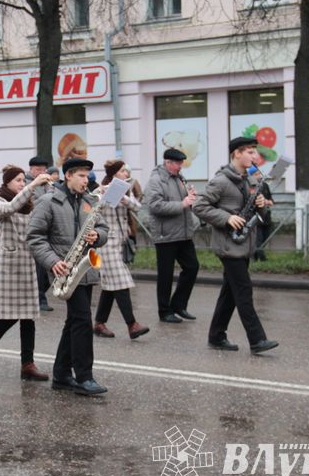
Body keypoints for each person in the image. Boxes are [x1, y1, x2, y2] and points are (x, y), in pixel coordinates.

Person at [27, 158, 110, 396]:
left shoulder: (89, 201)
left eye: (88, 176)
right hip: (64, 269)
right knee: (83, 320)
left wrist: (98, 235)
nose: (87, 181)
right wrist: (53, 262)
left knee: (74, 321)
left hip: (84, 270)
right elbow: (34, 237)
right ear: (69, 175)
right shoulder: (48, 202)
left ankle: (62, 375)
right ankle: (85, 377)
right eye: (82, 176)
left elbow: (104, 229)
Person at [192, 138, 279, 354]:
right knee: (243, 290)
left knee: (230, 292)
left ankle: (216, 335)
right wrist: (226, 218)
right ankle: (257, 339)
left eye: (254, 152)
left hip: (243, 243)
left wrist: (260, 206)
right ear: (236, 154)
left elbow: (255, 214)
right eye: (249, 152)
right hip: (228, 246)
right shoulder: (221, 181)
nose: (254, 156)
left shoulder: (247, 180)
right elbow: (199, 205)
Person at [0, 165, 51, 381]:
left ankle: (28, 365)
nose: (22, 184)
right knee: (10, 315)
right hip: (9, 264)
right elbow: (10, 209)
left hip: (27, 262)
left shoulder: (28, 204)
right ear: (6, 183)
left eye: (24, 180)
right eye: (18, 180)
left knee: (28, 316)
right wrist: (34, 184)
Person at [92, 160, 150, 341]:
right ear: (114, 173)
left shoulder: (124, 188)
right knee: (121, 282)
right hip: (105, 243)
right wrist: (107, 193)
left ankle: (99, 324)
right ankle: (132, 325)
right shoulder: (101, 189)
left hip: (118, 243)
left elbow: (137, 207)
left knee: (111, 286)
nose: (126, 173)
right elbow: (97, 206)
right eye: (123, 171)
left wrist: (124, 195)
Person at [145, 148, 200, 324]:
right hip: (165, 234)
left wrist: (190, 197)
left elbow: (184, 202)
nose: (180, 166)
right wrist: (182, 204)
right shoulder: (156, 180)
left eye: (181, 163)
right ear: (168, 162)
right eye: (177, 163)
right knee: (166, 275)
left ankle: (178, 305)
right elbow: (155, 206)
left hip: (183, 233)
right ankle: (164, 311)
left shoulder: (179, 178)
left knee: (192, 267)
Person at [25, 156, 55, 312]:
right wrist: (51, 192)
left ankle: (39, 294)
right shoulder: (27, 184)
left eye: (44, 170)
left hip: (48, 229)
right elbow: (35, 204)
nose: (42, 173)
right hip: (34, 229)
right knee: (39, 267)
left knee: (48, 265)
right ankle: (40, 298)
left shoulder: (47, 184)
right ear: (31, 170)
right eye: (38, 170)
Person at [250, 161, 274, 262]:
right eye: (255, 174)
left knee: (265, 238)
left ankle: (256, 255)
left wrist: (267, 201)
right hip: (256, 218)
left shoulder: (264, 185)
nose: (258, 176)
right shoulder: (251, 187)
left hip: (266, 217)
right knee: (258, 239)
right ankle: (260, 258)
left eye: (259, 173)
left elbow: (271, 201)